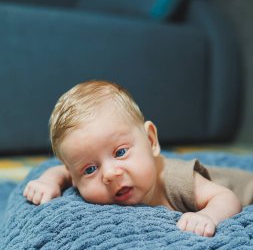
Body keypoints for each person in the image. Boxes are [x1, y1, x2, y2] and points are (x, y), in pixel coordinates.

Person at [24, 80, 253, 237]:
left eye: (120, 152)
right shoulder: (77, 173)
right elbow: (66, 171)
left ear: (151, 140)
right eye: (91, 169)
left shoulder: (175, 179)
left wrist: (207, 216)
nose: (110, 174)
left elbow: (227, 198)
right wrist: (48, 181)